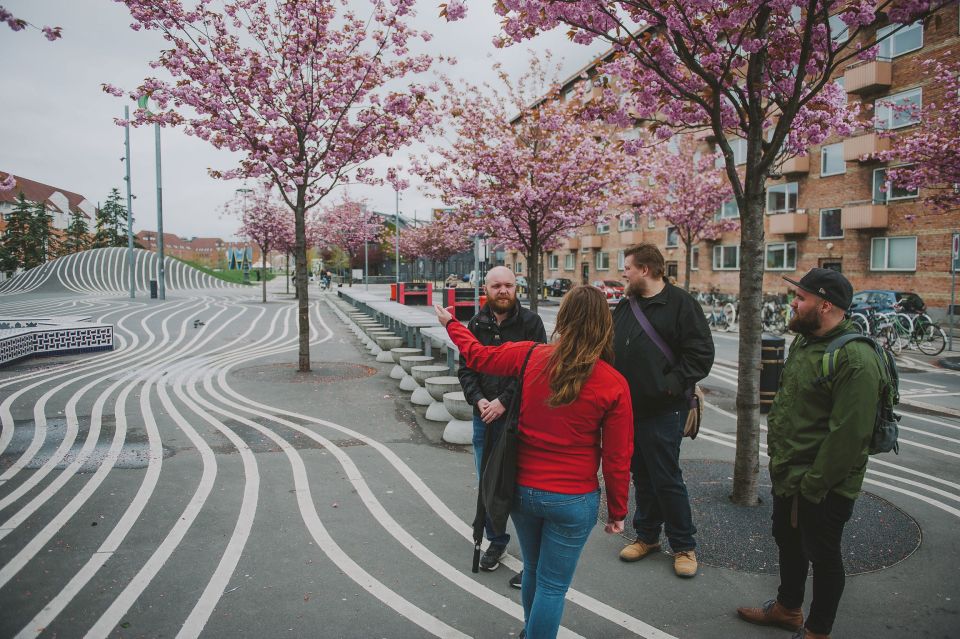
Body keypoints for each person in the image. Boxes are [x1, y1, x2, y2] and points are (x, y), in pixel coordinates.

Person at [436, 285, 633, 639]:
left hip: (523, 490)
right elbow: (617, 457)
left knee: (533, 571)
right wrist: (618, 511)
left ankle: (531, 631)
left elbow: (478, 356)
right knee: (553, 586)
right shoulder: (614, 383)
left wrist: (451, 324)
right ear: (605, 325)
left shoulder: (530, 356)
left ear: (563, 319)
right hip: (574, 499)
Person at [737, 268, 883, 639]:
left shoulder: (856, 359)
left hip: (824, 483)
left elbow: (849, 436)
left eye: (801, 298)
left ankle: (817, 630)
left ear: (826, 305)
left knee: (823, 552)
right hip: (791, 472)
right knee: (788, 539)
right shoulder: (805, 341)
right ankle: (788, 609)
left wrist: (815, 484)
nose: (793, 303)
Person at [612, 243, 714, 578]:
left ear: (646, 269)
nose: (623, 273)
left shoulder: (681, 304)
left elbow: (700, 355)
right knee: (642, 477)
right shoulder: (627, 306)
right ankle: (647, 536)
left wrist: (668, 385)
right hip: (630, 410)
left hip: (664, 410)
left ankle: (684, 545)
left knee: (667, 479)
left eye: (627, 267)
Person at [457, 266, 546, 586]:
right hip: (485, 419)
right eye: (497, 286)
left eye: (509, 285)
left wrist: (504, 402)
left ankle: (532, 558)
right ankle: (495, 540)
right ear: (486, 288)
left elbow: (534, 371)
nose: (504, 291)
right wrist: (478, 399)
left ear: (516, 287)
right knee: (487, 482)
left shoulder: (532, 324)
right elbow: (466, 368)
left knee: (521, 487)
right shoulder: (476, 322)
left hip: (519, 419)